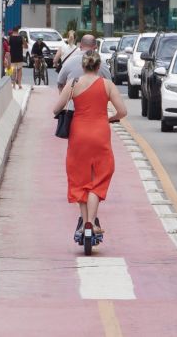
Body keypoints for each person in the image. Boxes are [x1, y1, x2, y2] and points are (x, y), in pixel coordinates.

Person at [52, 51, 127, 238]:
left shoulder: (74, 83)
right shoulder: (107, 85)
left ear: (83, 66)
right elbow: (122, 111)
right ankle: (91, 223)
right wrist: (111, 118)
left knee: (80, 179)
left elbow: (56, 108)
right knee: (100, 177)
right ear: (98, 66)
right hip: (101, 133)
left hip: (78, 135)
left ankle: (85, 223)